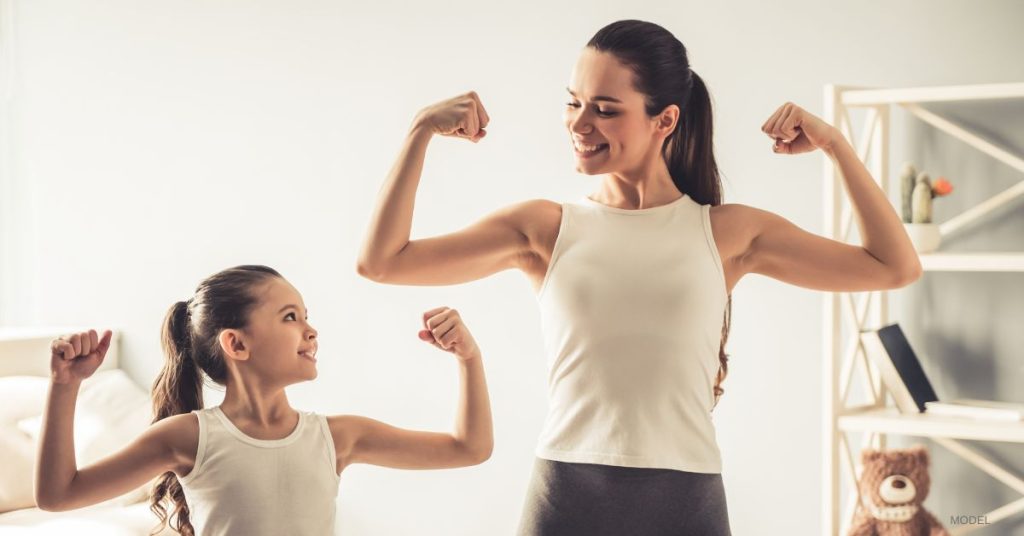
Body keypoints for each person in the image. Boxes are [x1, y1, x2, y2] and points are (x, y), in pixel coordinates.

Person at [356, 19, 921, 536]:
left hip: (687, 502)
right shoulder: (543, 228)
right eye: (573, 102)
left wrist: (835, 145)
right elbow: (383, 262)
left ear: (665, 119)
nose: (580, 123)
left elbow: (894, 267)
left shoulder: (727, 233)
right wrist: (419, 132)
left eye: (605, 108)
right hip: (564, 496)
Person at [34, 264, 493, 536]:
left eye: (307, 316)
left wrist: (469, 358)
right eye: (290, 317)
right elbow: (59, 495)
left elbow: (468, 447)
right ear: (236, 345)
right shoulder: (190, 437)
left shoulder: (339, 436)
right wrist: (65, 386)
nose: (310, 330)